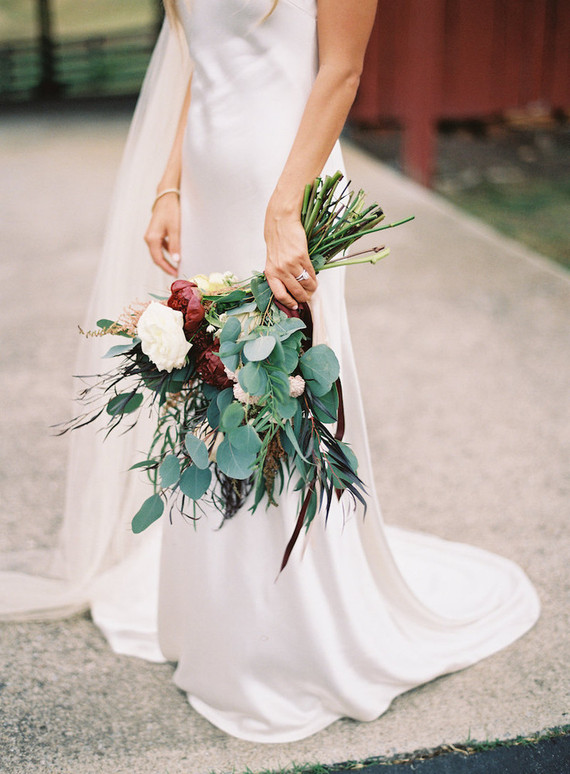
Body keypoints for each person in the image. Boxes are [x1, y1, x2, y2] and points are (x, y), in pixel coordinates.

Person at [0, 0, 539, 744]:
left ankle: (294, 633)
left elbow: (340, 70)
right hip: (212, 180)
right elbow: (198, 62)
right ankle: (222, 621)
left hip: (287, 181)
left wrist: (285, 210)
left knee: (282, 396)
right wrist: (169, 185)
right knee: (211, 394)